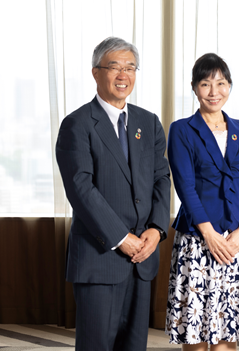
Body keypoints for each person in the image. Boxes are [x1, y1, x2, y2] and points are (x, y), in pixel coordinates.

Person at [55, 37, 170, 351]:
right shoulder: (77, 125)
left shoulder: (148, 123)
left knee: (134, 346)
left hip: (143, 257)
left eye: (130, 67)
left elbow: (162, 177)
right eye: (114, 67)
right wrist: (122, 237)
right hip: (100, 257)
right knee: (97, 346)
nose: (124, 75)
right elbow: (81, 189)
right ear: (95, 73)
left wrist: (156, 231)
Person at [165, 53, 239, 351]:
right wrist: (208, 234)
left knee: (226, 333)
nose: (213, 91)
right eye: (205, 84)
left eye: (220, 83)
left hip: (236, 241)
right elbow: (185, 187)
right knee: (195, 333)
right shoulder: (182, 129)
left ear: (230, 86)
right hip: (198, 239)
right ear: (194, 88)